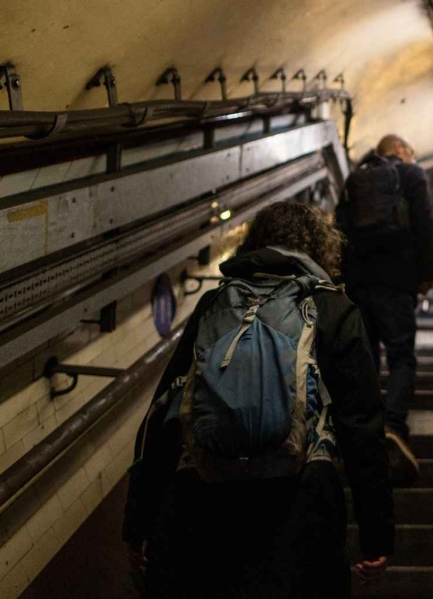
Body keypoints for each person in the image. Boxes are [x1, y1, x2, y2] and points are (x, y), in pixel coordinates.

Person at [123, 201, 393, 598]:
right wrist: (376, 535)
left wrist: (139, 522)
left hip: (203, 502)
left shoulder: (214, 304)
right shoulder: (333, 308)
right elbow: (363, 428)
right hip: (301, 504)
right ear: (322, 249)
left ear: (254, 243)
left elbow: (164, 412)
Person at [336, 134, 433, 483]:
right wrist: (426, 274)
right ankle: (393, 425)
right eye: (410, 151)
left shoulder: (355, 177)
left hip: (358, 282)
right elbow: (424, 224)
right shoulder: (411, 174)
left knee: (365, 358)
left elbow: (339, 232)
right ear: (400, 150)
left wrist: (342, 279)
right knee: (401, 356)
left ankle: (363, 428)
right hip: (397, 279)